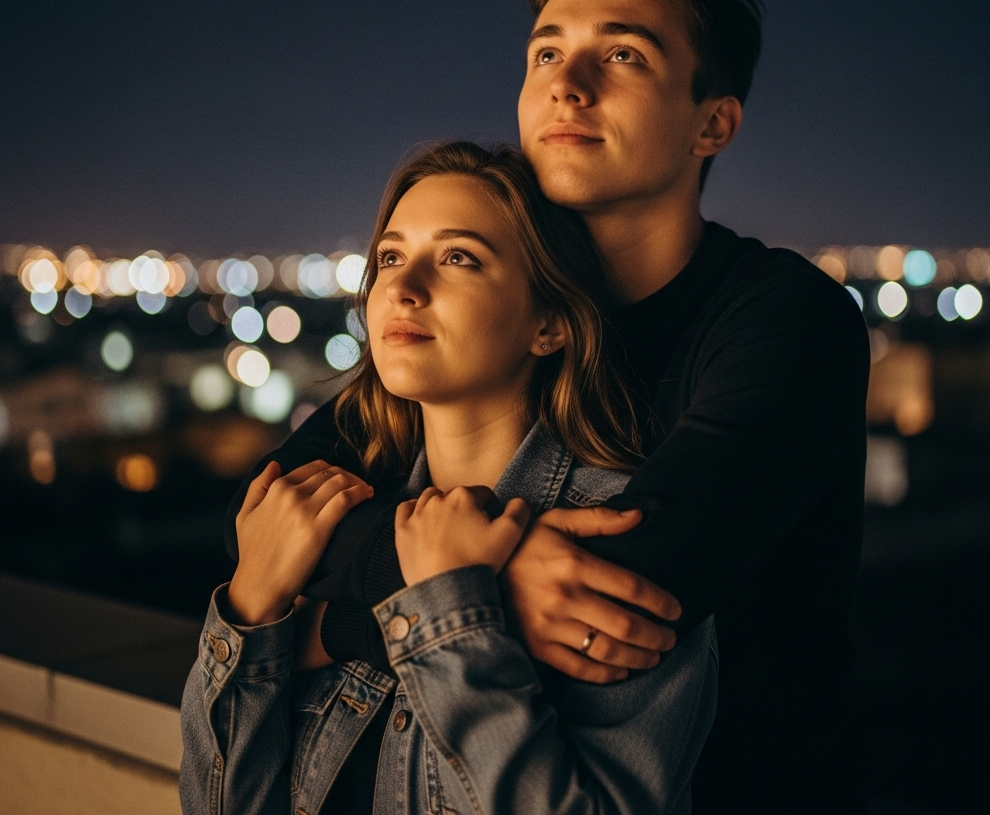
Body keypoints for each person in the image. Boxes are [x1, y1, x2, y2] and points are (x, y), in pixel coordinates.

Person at [228, 0, 870, 813]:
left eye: (624, 58)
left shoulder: (782, 318)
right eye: (545, 54)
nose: (566, 85)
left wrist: (330, 625)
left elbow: (629, 592)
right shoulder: (489, 316)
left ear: (712, 123)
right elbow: (276, 505)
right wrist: (472, 577)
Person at [181, 142, 718, 815]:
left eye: (459, 257)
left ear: (548, 323)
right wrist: (252, 610)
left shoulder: (613, 544)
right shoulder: (336, 527)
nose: (404, 288)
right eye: (391, 258)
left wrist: (448, 612)